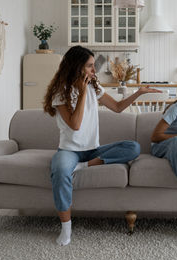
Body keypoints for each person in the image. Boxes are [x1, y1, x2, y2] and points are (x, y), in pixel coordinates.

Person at [43, 45, 161, 246]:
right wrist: (80, 93)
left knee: (133, 147)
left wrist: (139, 93)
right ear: (77, 67)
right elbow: (75, 124)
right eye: (89, 66)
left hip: (92, 151)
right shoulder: (60, 93)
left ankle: (84, 166)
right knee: (60, 170)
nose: (93, 70)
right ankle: (66, 228)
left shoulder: (94, 87)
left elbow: (117, 107)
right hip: (69, 151)